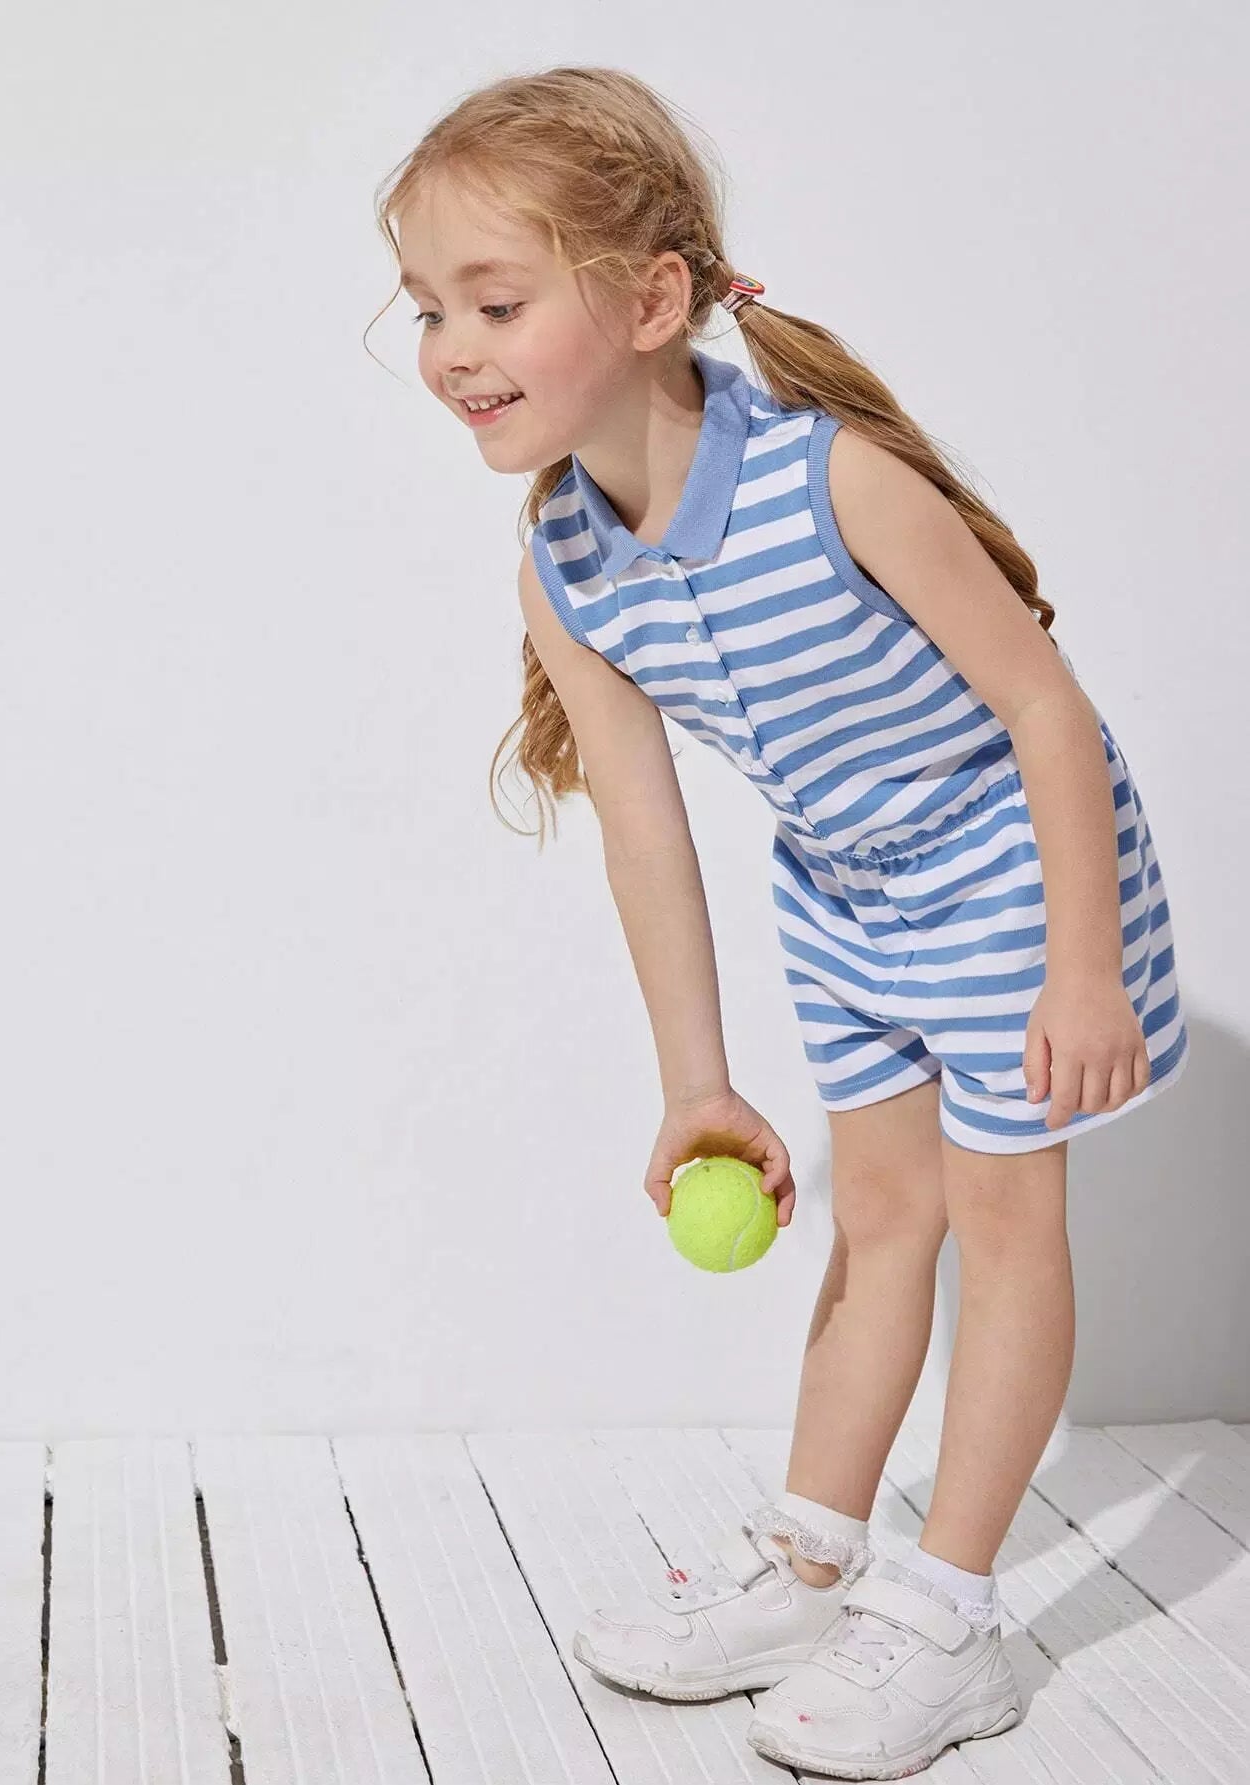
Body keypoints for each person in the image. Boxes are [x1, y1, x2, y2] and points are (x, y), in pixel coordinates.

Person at [374, 64, 1191, 1779]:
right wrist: (697, 1080)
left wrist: (1083, 963)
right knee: (879, 1218)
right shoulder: (563, 561)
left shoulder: (837, 481)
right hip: (843, 888)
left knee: (1003, 1221)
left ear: (651, 299)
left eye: (496, 302)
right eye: (429, 305)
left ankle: (949, 1616)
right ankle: (818, 1566)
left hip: (1007, 860)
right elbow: (647, 829)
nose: (450, 347)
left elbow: (1046, 708)